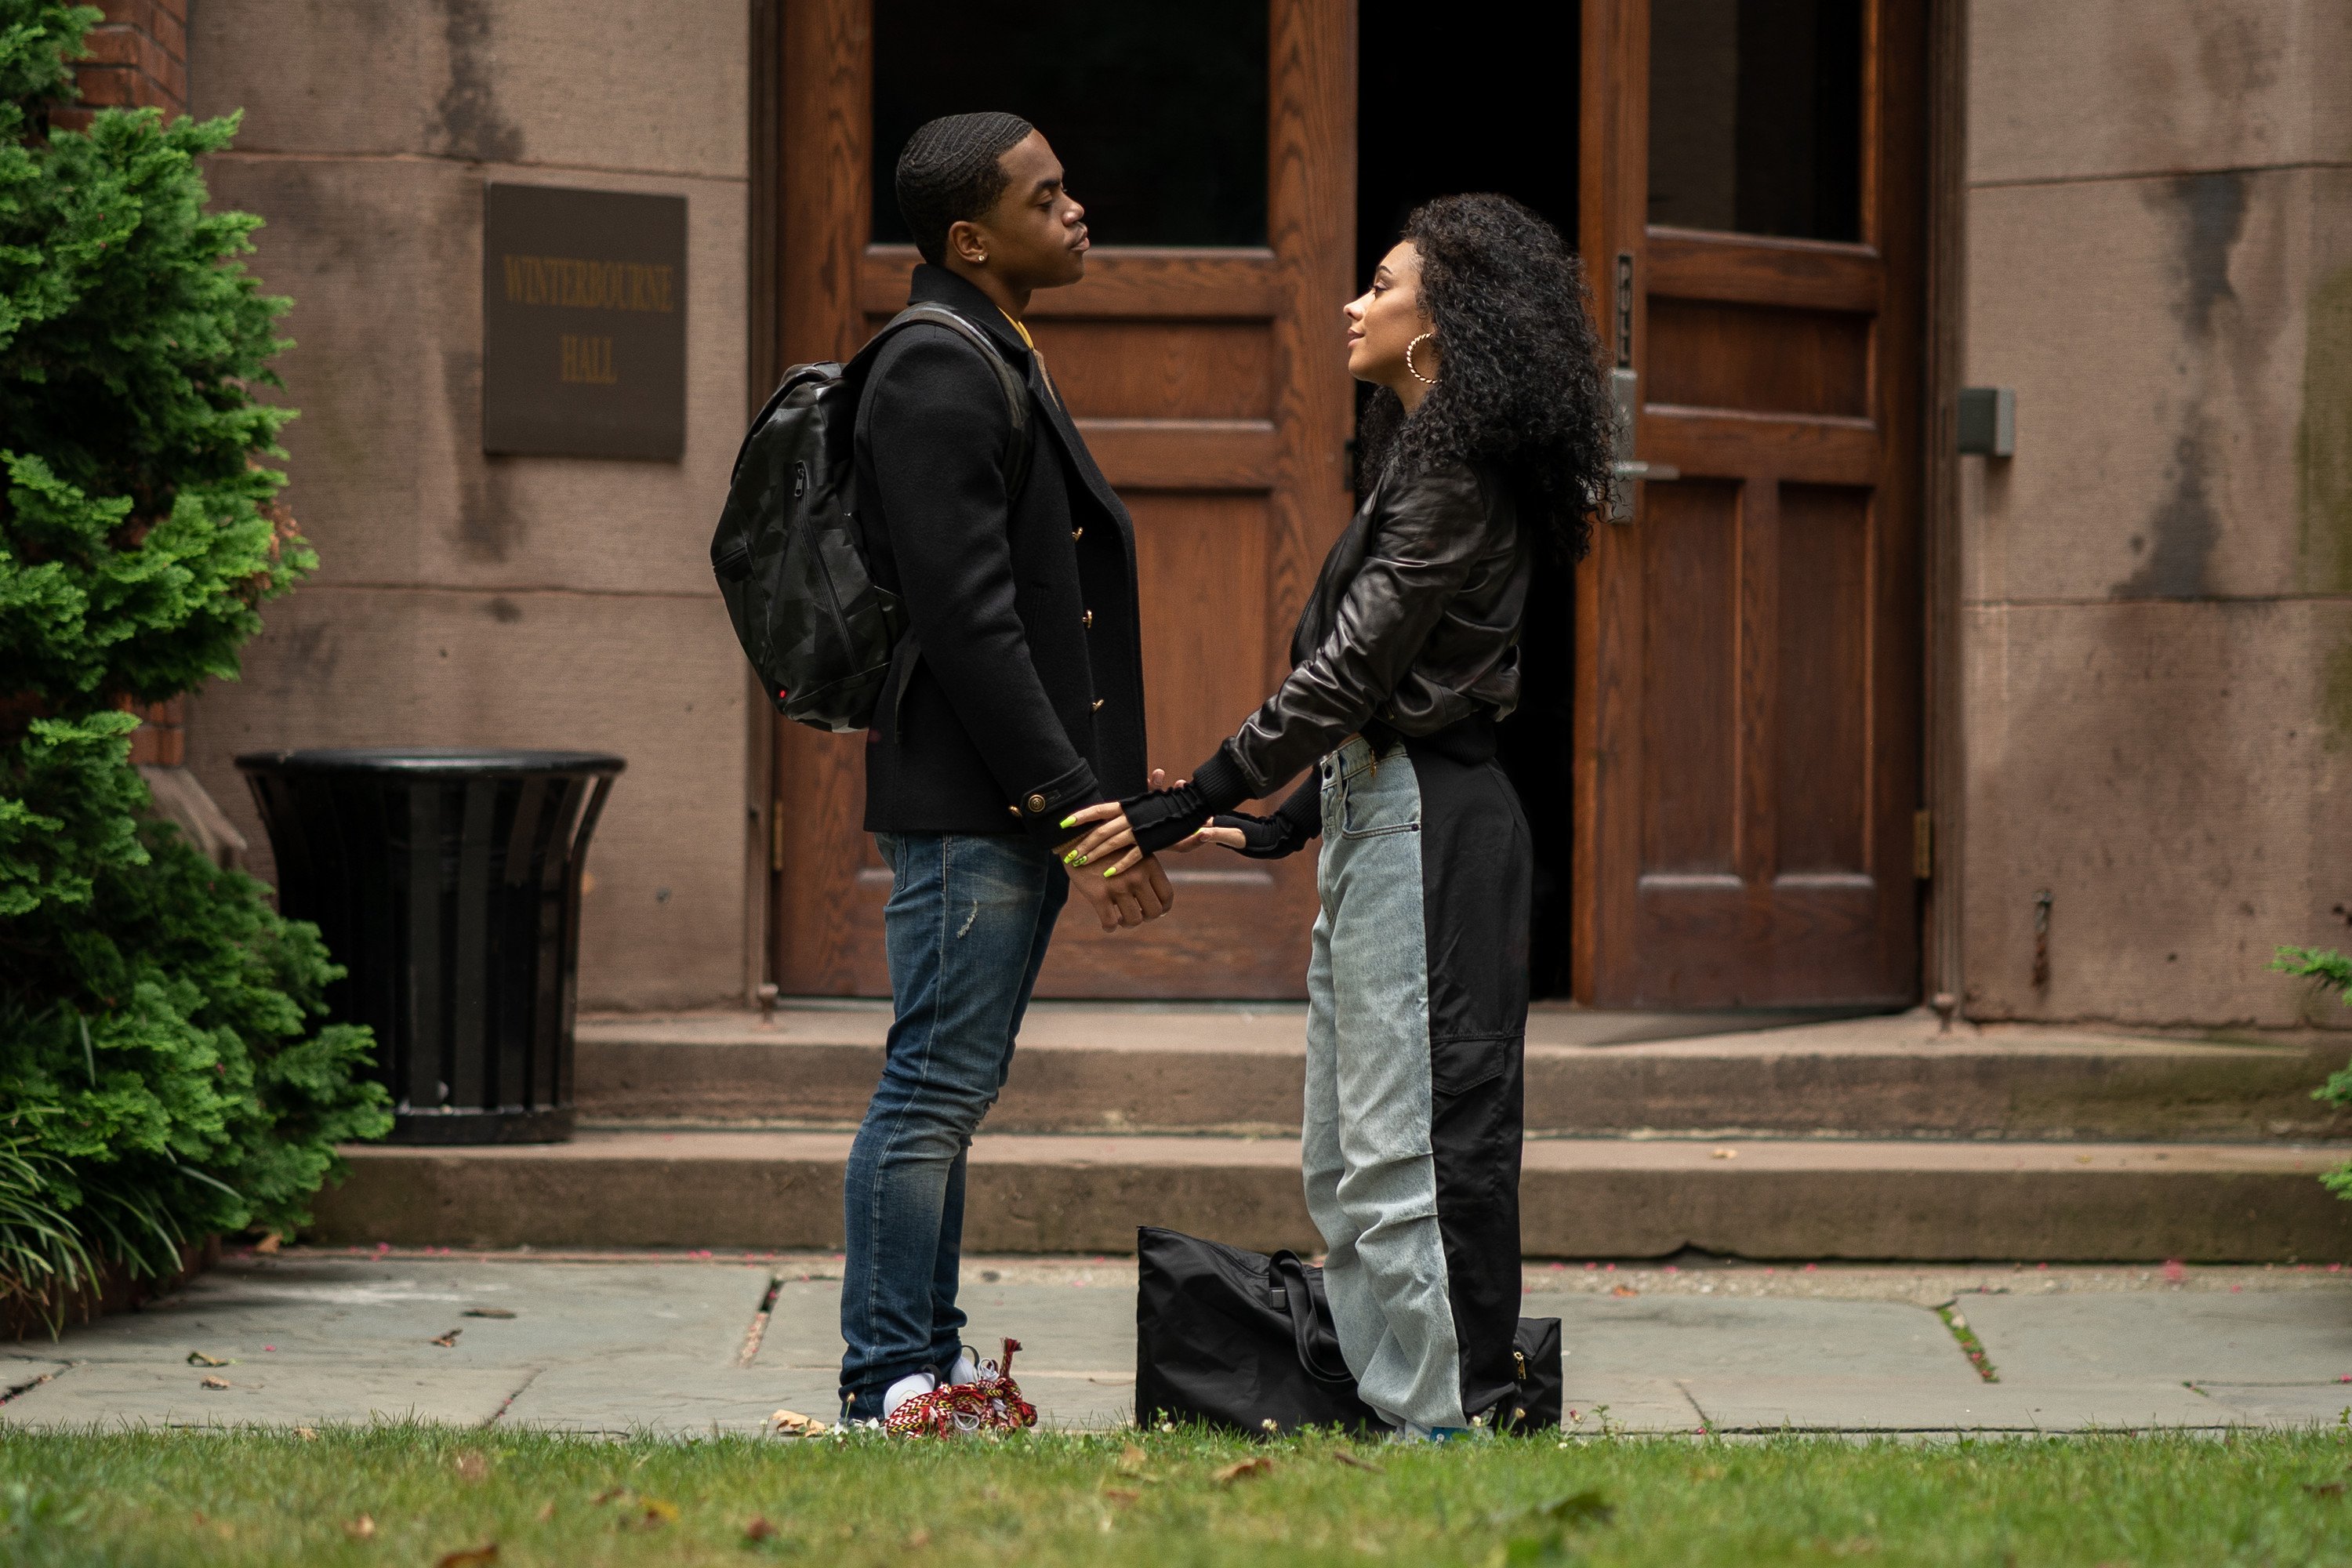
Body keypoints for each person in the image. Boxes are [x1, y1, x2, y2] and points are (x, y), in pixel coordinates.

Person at [1062, 194, 1612, 1440]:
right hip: (1386, 813)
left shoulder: (1455, 471)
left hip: (1432, 829)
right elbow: (1393, 691)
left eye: (1383, 285)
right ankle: (1401, 1405)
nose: (1354, 307)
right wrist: (1280, 824)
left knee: (1407, 1145)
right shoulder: (1422, 459)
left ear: (1443, 325)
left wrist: (1191, 796)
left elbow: (1355, 673)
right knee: (1348, 1150)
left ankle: (1442, 1421)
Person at [839, 111, 1174, 1426]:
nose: (1076, 210)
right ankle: (887, 1381)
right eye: (1046, 197)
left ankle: (924, 1362)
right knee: (930, 1088)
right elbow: (972, 620)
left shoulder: (993, 346)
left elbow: (1032, 604)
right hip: (971, 799)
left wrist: (1090, 799)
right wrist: (1079, 806)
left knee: (951, 1090)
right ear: (971, 239)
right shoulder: (938, 363)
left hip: (1004, 800)